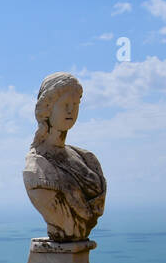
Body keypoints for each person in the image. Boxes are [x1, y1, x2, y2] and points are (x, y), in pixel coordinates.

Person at [23, 72, 106, 242]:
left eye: (75, 104)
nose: (71, 110)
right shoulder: (37, 167)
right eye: (65, 104)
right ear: (47, 109)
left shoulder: (88, 159)